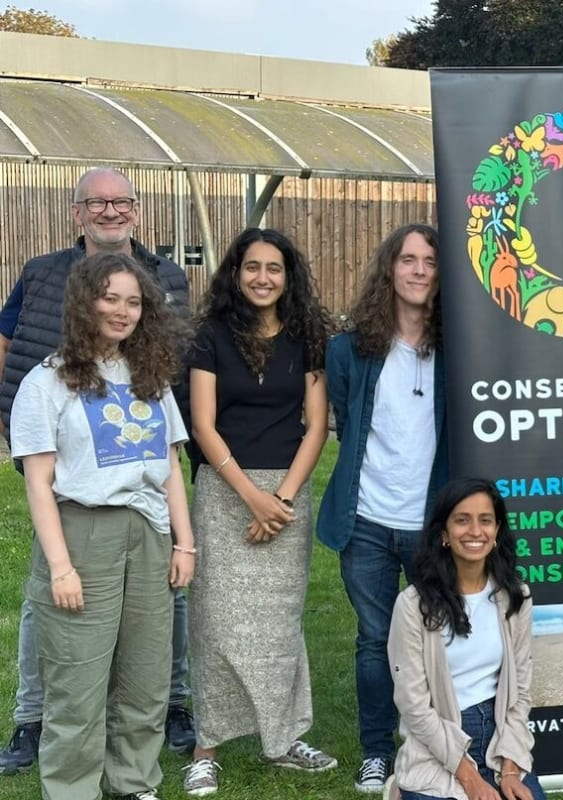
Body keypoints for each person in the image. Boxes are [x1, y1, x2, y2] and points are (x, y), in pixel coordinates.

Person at [0, 167, 196, 775]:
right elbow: (39, 481)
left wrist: (184, 541)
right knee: (78, 674)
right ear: (84, 303)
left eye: (133, 301)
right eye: (109, 299)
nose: (122, 310)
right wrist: (60, 564)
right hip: (83, 529)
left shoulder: (149, 377)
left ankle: (134, 776)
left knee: (144, 672)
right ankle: (71, 784)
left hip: (149, 529)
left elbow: (167, 463)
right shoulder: (47, 380)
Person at [181, 228, 335, 796]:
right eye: (252, 267)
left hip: (288, 492)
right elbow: (202, 423)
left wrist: (284, 500)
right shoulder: (211, 336)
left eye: (274, 267)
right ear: (236, 273)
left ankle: (283, 738)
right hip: (225, 489)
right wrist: (252, 497)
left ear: (287, 276)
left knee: (279, 624)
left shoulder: (308, 337)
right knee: (215, 621)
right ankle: (207, 747)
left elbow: (317, 425)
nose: (263, 277)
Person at [315, 223, 449, 793]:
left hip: (432, 523)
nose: (418, 270)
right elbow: (345, 420)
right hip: (366, 518)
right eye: (407, 259)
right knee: (374, 639)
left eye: (429, 261)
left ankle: (431, 743)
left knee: (434, 639)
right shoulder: (350, 349)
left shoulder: (459, 348)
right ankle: (376, 749)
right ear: (389, 269)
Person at [383, 477, 545, 800]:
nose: (475, 531)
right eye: (462, 520)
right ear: (443, 533)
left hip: (500, 738)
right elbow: (414, 707)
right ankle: (400, 787)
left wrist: (510, 769)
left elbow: (520, 694)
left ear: (497, 531)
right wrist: (471, 780)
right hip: (436, 742)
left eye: (485, 520)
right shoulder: (413, 606)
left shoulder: (516, 597)